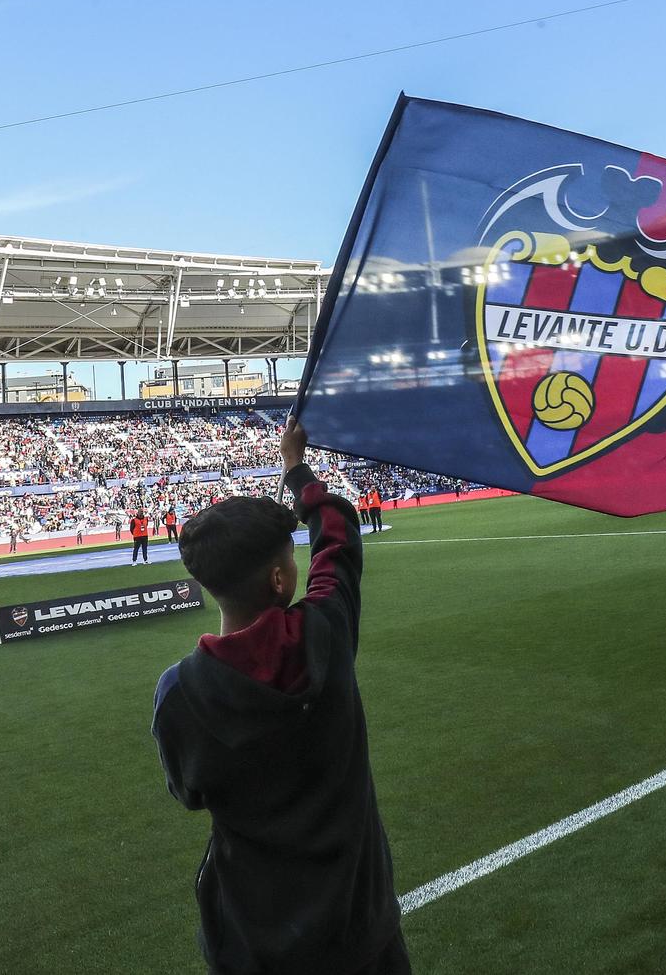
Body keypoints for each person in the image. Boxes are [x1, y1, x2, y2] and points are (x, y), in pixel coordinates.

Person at [152, 418, 408, 975]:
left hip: (253, 938)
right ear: (277, 580)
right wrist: (295, 468)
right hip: (358, 925)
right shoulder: (325, 634)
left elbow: (188, 793)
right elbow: (337, 533)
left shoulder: (179, 694)